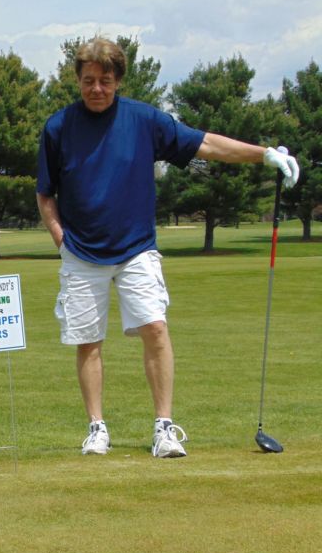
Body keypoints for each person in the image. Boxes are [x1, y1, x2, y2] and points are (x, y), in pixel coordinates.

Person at [36, 37, 299, 459]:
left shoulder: (144, 120)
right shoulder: (58, 127)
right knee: (88, 341)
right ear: (77, 80)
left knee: (155, 329)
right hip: (81, 252)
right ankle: (97, 428)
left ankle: (163, 428)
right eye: (88, 81)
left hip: (137, 247)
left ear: (118, 80)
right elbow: (45, 193)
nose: (96, 89)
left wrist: (263, 154)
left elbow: (205, 144)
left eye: (105, 81)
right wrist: (58, 235)